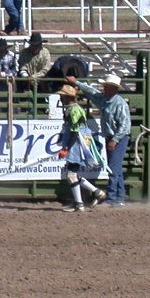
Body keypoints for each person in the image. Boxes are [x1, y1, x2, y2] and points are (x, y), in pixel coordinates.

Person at [76, 74, 132, 207]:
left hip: (118, 138)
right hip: (112, 137)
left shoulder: (119, 103)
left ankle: (112, 197)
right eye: (105, 86)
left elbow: (125, 125)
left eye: (107, 87)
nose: (104, 89)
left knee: (113, 168)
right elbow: (92, 92)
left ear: (114, 89)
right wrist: (77, 83)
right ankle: (119, 197)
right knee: (115, 168)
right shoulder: (105, 99)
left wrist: (114, 140)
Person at [56, 84, 106, 212]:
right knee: (73, 174)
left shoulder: (74, 110)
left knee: (71, 174)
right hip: (80, 140)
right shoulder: (73, 109)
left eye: (62, 96)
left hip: (77, 143)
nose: (61, 98)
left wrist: (66, 147)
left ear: (67, 97)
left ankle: (79, 203)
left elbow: (74, 130)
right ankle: (96, 192)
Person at [17, 32, 52, 101]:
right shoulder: (24, 52)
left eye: (36, 45)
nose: (34, 47)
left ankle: (44, 103)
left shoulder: (45, 52)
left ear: (40, 45)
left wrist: (34, 77)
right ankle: (21, 103)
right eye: (33, 45)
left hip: (41, 80)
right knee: (19, 81)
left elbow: (46, 69)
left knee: (45, 84)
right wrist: (27, 77)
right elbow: (22, 67)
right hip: (26, 80)